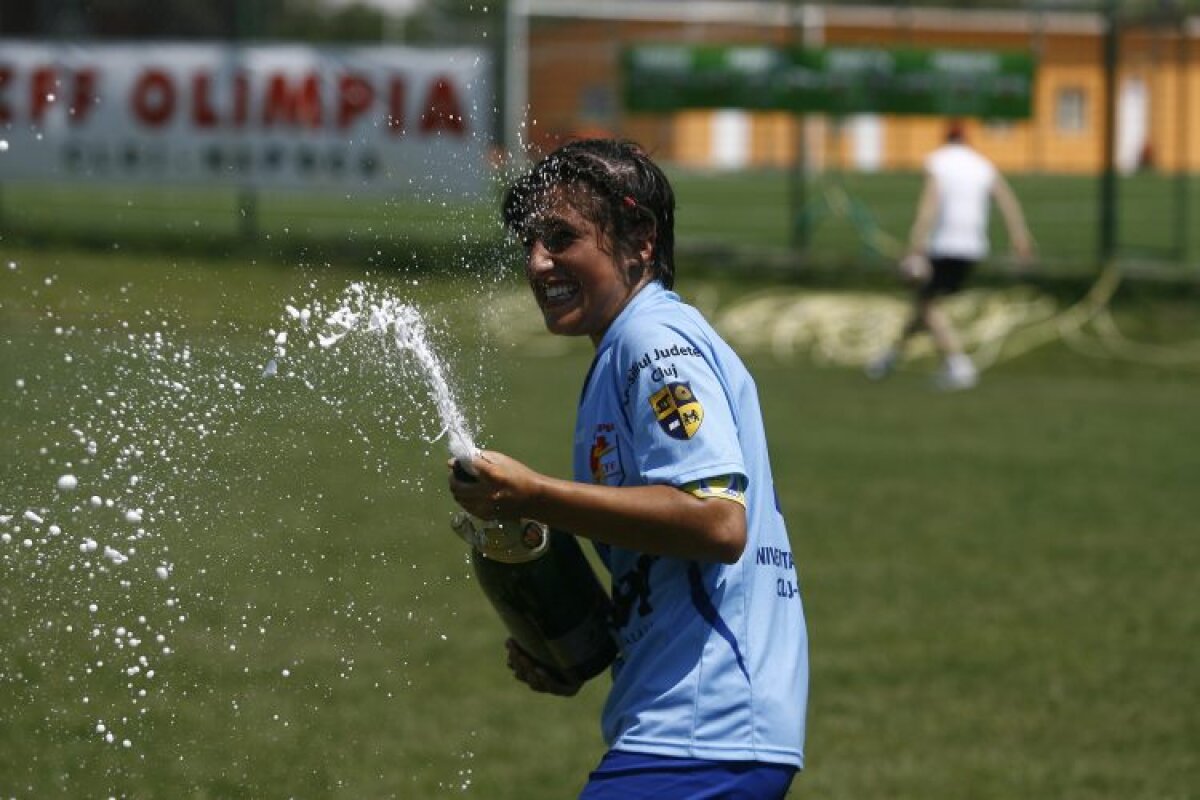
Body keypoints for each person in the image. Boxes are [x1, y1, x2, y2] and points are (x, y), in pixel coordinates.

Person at [448, 138, 808, 798]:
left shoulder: (652, 342)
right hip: (694, 727)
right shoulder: (619, 353)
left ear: (639, 237)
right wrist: (578, 642)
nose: (538, 262)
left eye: (561, 237)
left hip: (703, 730)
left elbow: (717, 523)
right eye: (530, 241)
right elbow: (670, 559)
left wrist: (533, 495)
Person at [866, 121, 1034, 390]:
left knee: (927, 304)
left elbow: (930, 201)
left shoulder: (938, 161)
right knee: (924, 304)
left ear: (945, 138)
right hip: (974, 246)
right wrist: (1019, 236)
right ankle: (890, 357)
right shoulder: (982, 164)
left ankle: (958, 364)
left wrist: (917, 240)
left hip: (945, 245)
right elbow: (1006, 198)